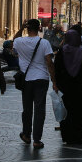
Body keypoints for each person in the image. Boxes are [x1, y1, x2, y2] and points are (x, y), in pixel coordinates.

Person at [13, 19, 57, 149]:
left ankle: (26, 134)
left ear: (27, 28)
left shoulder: (19, 41)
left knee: (27, 109)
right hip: (41, 79)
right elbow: (49, 62)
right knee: (39, 110)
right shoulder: (44, 43)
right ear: (39, 28)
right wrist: (54, 81)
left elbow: (13, 41)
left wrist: (21, 28)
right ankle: (37, 140)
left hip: (26, 80)